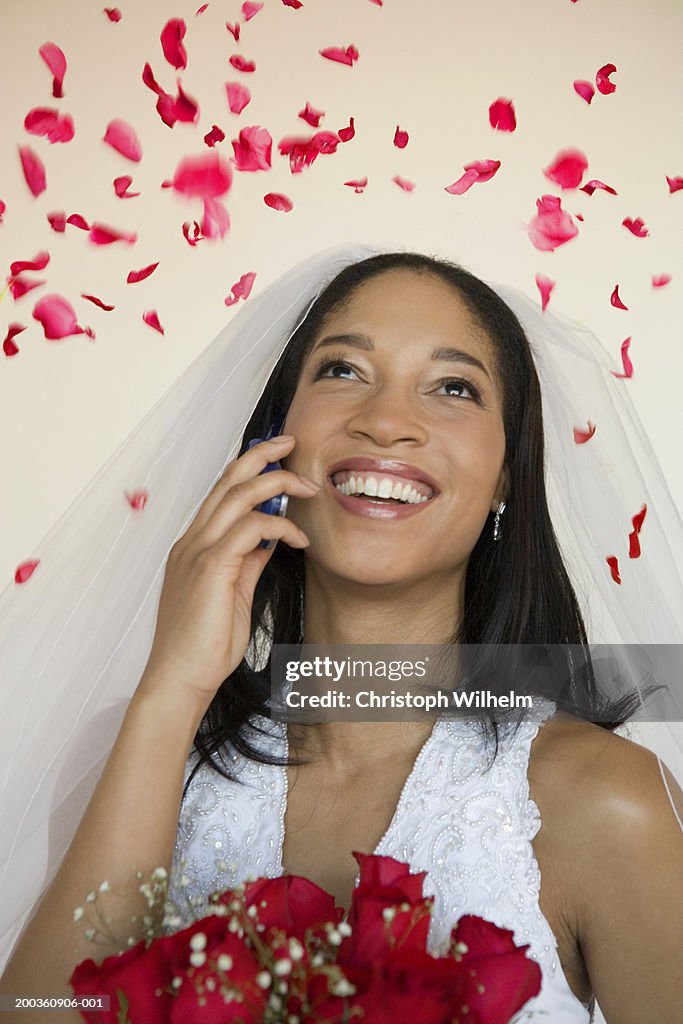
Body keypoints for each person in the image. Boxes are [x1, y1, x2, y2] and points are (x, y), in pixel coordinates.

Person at [1, 246, 682, 1024]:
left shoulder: (607, 803)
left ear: (504, 477)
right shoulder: (133, 756)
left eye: (453, 388)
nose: (386, 421)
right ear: (271, 434)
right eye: (342, 371)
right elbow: (41, 1011)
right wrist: (171, 692)